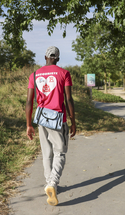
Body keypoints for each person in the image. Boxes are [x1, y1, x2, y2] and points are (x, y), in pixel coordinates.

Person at [25, 46, 76, 206]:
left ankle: (49, 183)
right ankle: (52, 184)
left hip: (41, 118)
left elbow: (28, 102)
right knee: (60, 152)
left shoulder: (34, 75)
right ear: (58, 59)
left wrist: (28, 124)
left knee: (47, 153)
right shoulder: (64, 73)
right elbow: (69, 100)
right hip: (58, 119)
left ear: (45, 57)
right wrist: (73, 121)